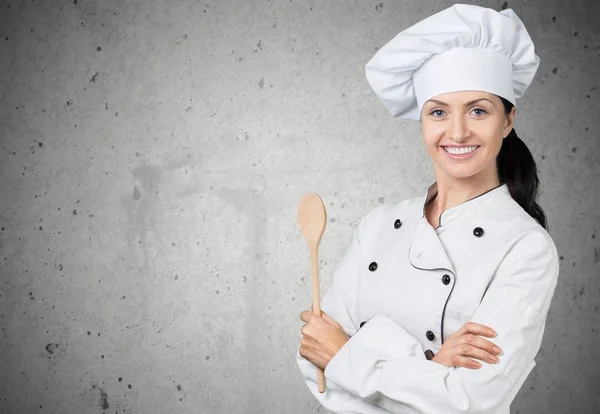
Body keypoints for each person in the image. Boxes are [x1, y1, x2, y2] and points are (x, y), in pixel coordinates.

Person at [295, 4, 559, 414]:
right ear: (422, 121)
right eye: (438, 112)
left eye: (478, 110)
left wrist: (348, 356)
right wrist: (430, 369)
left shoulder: (526, 247)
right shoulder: (377, 226)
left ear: (507, 120)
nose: (456, 132)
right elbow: (316, 364)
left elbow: (470, 400)